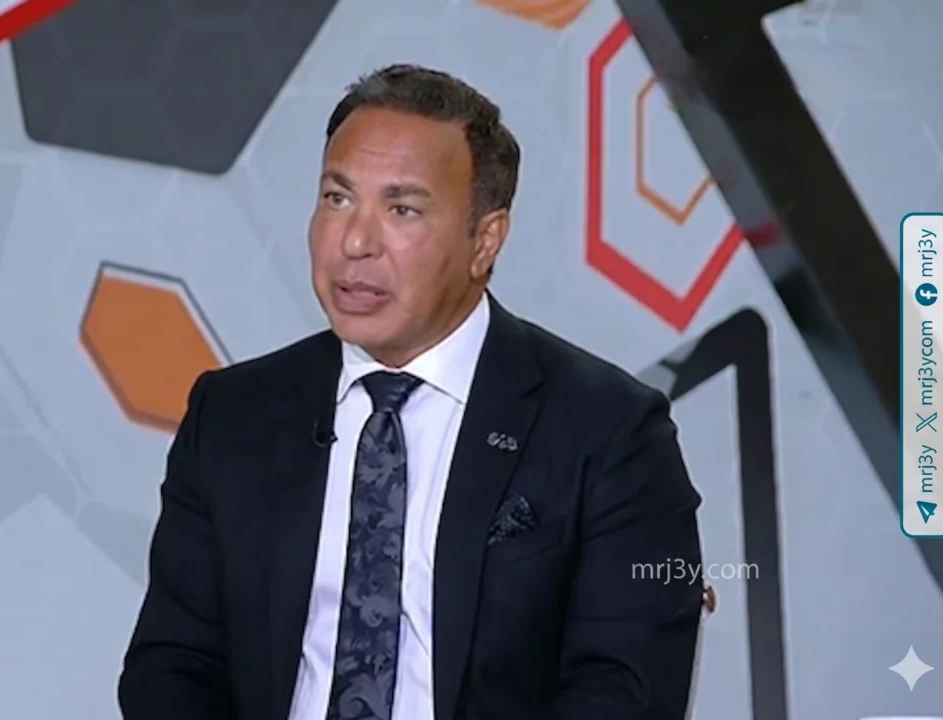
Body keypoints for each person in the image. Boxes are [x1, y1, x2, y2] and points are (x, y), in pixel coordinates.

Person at [119, 63, 704, 720]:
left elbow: (626, 693)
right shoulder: (234, 414)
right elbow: (173, 665)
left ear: (485, 240)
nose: (355, 242)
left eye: (402, 209)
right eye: (337, 198)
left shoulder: (609, 430)